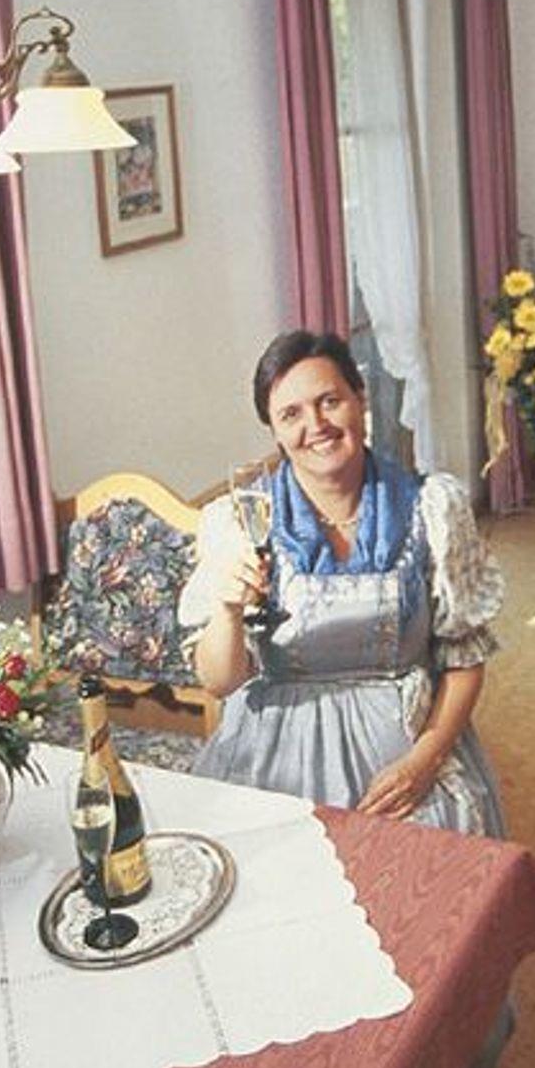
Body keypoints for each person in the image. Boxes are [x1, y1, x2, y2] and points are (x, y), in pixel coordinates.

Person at [179, 329, 507, 834]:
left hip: (406, 750)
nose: (316, 426)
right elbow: (220, 682)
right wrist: (227, 608)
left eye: (329, 401)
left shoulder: (432, 508)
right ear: (274, 430)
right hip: (274, 757)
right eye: (291, 414)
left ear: (360, 399)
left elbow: (464, 658)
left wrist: (424, 761)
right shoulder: (239, 520)